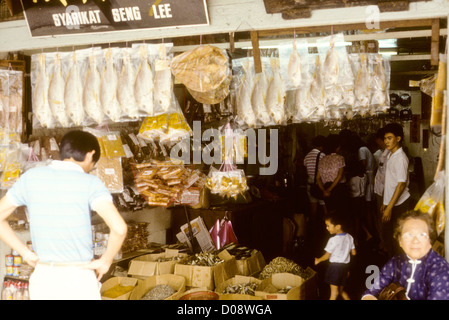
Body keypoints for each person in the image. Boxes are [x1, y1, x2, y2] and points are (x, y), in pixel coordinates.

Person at [0, 130, 128, 300]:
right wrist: (106, 260)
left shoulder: (31, 178)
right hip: (78, 278)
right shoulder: (91, 183)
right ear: (91, 155)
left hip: (44, 278)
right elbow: (119, 228)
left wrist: (25, 252)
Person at [362, 211, 449, 300]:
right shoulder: (395, 262)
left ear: (430, 240)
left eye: (422, 235)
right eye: (409, 235)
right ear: (400, 241)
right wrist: (369, 296)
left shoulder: (440, 268)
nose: (415, 240)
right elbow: (373, 289)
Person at [381, 122, 411, 257]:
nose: (386, 142)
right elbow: (390, 182)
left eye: (389, 138)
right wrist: (385, 202)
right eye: (385, 138)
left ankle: (401, 273)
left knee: (399, 239)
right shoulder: (390, 155)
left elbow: (401, 185)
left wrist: (389, 207)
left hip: (400, 205)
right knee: (389, 237)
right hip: (392, 203)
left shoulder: (400, 158)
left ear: (398, 139)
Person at [315, 213, 356, 300]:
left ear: (338, 226)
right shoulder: (350, 237)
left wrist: (318, 260)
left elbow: (326, 256)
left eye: (328, 225)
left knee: (334, 293)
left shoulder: (333, 240)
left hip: (335, 268)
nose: (327, 228)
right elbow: (354, 253)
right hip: (345, 268)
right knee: (341, 291)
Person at [316, 134, 348, 212]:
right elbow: (339, 176)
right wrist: (330, 189)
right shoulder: (340, 158)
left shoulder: (322, 159)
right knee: (340, 213)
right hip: (339, 188)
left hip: (326, 188)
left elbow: (318, 178)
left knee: (330, 213)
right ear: (337, 147)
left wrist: (324, 190)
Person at [304, 135, 327, 217]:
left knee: (313, 207)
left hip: (310, 184)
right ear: (322, 145)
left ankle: (312, 226)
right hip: (320, 184)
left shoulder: (307, 155)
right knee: (324, 207)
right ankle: (327, 226)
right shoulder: (322, 155)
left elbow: (305, 166)